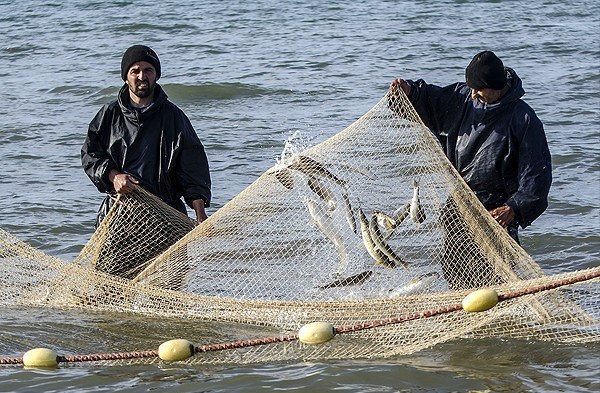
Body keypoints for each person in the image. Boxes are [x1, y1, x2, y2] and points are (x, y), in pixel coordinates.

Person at [388, 51, 552, 288]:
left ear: (497, 87)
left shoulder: (523, 119)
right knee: (455, 270)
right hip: (460, 202)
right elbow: (431, 101)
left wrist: (514, 208)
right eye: (471, 87)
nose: (474, 93)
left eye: (479, 89)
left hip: (497, 211)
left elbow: (537, 173)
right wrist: (410, 91)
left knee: (497, 277)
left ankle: (499, 321)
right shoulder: (463, 98)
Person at [81, 45, 211, 278]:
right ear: (126, 76)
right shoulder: (109, 115)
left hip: (167, 215)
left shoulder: (174, 117)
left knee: (169, 289)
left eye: (148, 70)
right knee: (109, 287)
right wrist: (113, 176)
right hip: (120, 213)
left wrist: (200, 213)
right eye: (135, 70)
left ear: (156, 75)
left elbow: (193, 167)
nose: (142, 76)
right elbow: (91, 155)